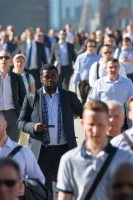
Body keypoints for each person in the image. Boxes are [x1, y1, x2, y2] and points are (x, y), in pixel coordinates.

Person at [18, 64, 83, 196]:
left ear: (57, 77)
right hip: (41, 151)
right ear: (40, 78)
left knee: (62, 189)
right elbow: (20, 122)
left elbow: (85, 114)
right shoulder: (32, 97)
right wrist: (33, 127)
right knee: (42, 190)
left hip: (64, 150)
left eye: (53, 76)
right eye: (46, 76)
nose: (50, 79)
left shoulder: (69, 96)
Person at [57, 100, 133, 200]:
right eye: (91, 124)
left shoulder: (125, 158)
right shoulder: (69, 160)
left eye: (100, 124)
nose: (95, 130)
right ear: (82, 123)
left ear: (108, 123)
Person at [72, 39, 100, 104]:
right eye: (89, 46)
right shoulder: (80, 57)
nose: (91, 48)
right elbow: (77, 72)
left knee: (92, 102)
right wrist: (74, 85)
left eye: (93, 46)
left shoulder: (98, 58)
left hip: (93, 84)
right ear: (86, 46)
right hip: (83, 83)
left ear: (95, 47)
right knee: (83, 101)